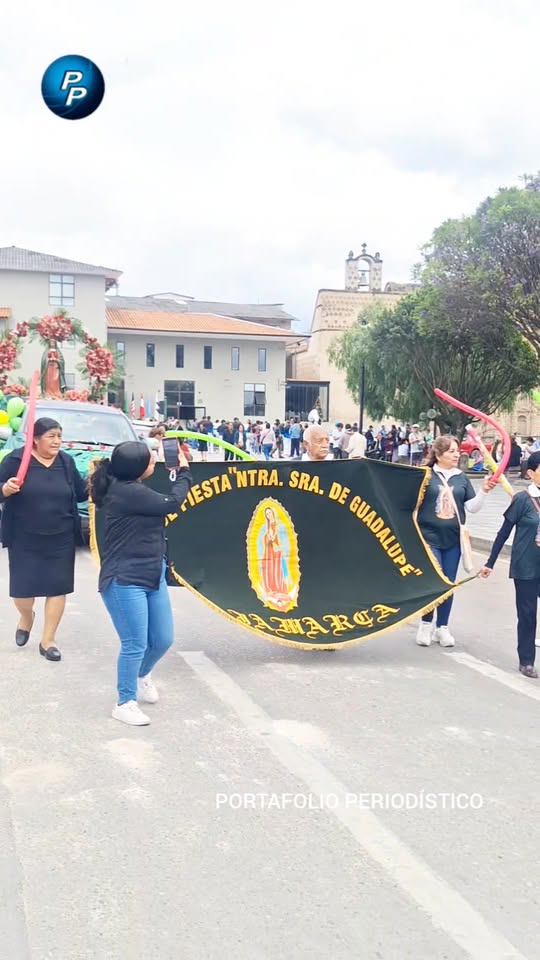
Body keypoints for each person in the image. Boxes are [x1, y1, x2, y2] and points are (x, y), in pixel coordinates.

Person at [91, 440, 192, 725]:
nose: (154, 462)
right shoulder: (128, 492)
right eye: (150, 460)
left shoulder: (131, 486)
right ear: (136, 468)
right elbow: (172, 502)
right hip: (125, 579)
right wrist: (184, 473)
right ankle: (124, 702)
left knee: (162, 639)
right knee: (135, 643)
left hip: (152, 573)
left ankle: (141, 674)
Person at [0, 417, 88, 661]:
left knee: (57, 587)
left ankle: (48, 640)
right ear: (35, 439)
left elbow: (81, 492)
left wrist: (100, 479)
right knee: (22, 592)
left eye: (59, 436)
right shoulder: (16, 461)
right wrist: (5, 489)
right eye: (51, 436)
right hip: (23, 536)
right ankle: (26, 616)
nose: (57, 441)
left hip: (61, 536)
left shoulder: (66, 462)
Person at [415, 435, 496, 648]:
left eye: (457, 451)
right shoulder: (425, 475)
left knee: (449, 583)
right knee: (433, 580)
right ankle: (425, 623)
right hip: (429, 538)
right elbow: (409, 502)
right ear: (438, 454)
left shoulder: (461, 478)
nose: (456, 454)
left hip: (453, 540)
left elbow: (471, 507)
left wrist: (484, 491)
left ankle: (442, 627)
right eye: (451, 451)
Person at [478, 450, 540, 678]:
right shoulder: (522, 500)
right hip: (526, 566)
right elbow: (503, 533)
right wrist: (490, 563)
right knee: (528, 615)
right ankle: (527, 660)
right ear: (531, 473)